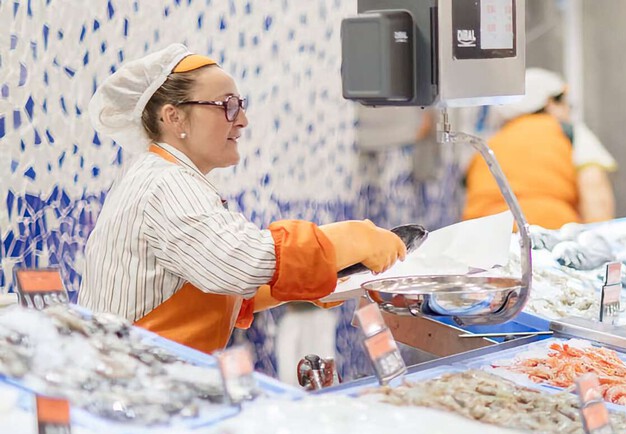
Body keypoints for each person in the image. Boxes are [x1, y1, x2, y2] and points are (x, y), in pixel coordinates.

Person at [79, 44, 406, 353]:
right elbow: (241, 262)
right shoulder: (166, 183)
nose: (242, 120)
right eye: (227, 106)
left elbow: (210, 283)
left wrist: (307, 281)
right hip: (131, 378)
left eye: (240, 105)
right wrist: (350, 238)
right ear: (173, 117)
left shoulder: (161, 174)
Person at [462, 68, 617, 230]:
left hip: (486, 235)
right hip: (548, 231)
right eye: (567, 104)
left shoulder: (488, 144)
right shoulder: (569, 133)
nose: (569, 111)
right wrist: (598, 236)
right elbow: (595, 194)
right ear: (550, 103)